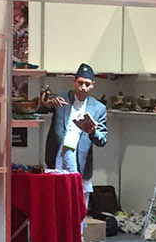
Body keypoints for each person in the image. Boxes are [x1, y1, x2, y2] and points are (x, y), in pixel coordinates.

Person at [39, 63, 109, 195]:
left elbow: (102, 140)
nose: (83, 87)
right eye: (80, 83)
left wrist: (93, 132)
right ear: (74, 82)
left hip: (80, 159)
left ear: (92, 85)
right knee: (56, 195)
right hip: (57, 155)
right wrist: (44, 103)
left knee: (79, 199)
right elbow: (39, 111)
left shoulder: (98, 108)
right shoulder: (60, 99)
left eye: (87, 84)